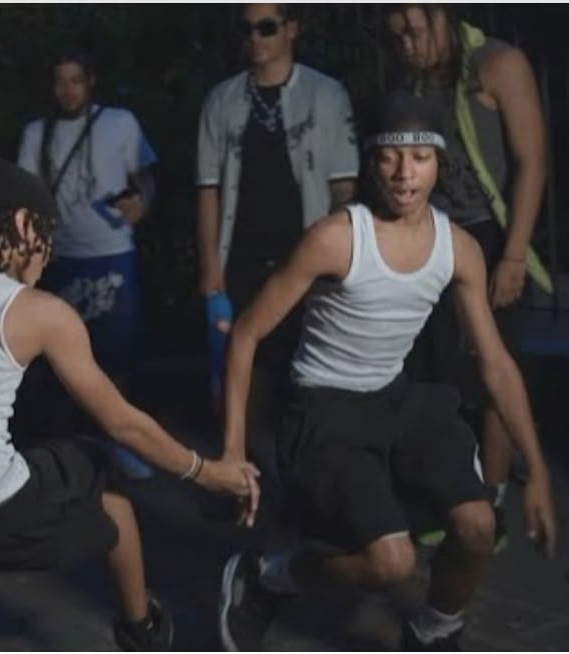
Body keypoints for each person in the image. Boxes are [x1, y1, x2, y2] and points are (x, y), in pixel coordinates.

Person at [0, 53, 260, 651]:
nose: (46, 255)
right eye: (44, 236)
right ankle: (143, 629)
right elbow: (123, 423)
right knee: (106, 492)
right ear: (19, 225)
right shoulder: (35, 314)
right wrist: (209, 472)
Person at [217, 91, 555, 651]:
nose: (404, 174)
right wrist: (232, 451)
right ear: (371, 161)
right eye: (390, 157)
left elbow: (495, 364)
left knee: (477, 527)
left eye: (420, 157)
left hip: (397, 399)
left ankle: (436, 628)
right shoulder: (337, 238)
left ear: (439, 164)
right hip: (324, 410)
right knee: (390, 561)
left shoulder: (458, 248)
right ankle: (269, 578)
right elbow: (247, 335)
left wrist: (537, 470)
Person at [383, 4, 551, 552]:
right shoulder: (412, 76)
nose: (407, 42)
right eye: (398, 34)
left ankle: (494, 498)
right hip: (431, 234)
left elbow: (532, 161)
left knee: (495, 362)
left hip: (490, 234)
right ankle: (448, 491)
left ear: (443, 15)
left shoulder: (497, 63)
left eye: (415, 28)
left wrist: (513, 254)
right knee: (436, 369)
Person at [196, 3, 358, 489]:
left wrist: (339, 256)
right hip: (240, 252)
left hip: (304, 257)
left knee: (306, 369)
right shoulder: (221, 101)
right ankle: (241, 476)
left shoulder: (326, 95)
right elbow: (208, 188)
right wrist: (209, 265)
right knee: (239, 370)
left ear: (291, 29)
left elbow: (343, 184)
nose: (255, 38)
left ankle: (305, 482)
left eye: (267, 27)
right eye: (246, 29)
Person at [17, 49, 157, 480]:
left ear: (91, 81)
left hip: (112, 251)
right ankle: (65, 449)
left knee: (117, 355)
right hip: (59, 258)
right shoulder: (36, 133)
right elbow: (24, 195)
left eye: (76, 80)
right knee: (59, 361)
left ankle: (122, 443)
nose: (68, 90)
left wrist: (143, 202)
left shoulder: (121, 122)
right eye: (60, 81)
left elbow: (146, 175)